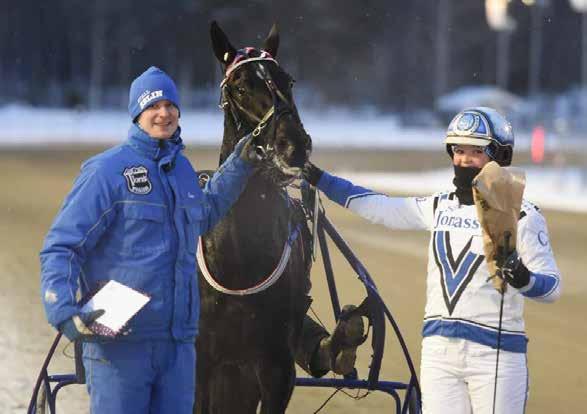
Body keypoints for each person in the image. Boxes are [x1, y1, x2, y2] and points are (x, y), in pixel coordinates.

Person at [303, 107, 562, 413]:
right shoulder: (439, 206)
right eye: (459, 150)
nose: (464, 160)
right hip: (439, 355)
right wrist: (317, 177)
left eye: (476, 152)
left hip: (496, 358)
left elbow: (552, 288)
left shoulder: (524, 216)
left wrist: (523, 278)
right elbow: (380, 207)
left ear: (499, 156)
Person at [39, 66, 260, 414]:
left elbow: (206, 212)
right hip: (119, 344)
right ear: (137, 114)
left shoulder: (183, 171)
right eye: (153, 106)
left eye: (170, 105)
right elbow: (63, 247)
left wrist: (240, 165)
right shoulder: (106, 171)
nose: (164, 113)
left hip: (178, 345)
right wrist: (65, 311)